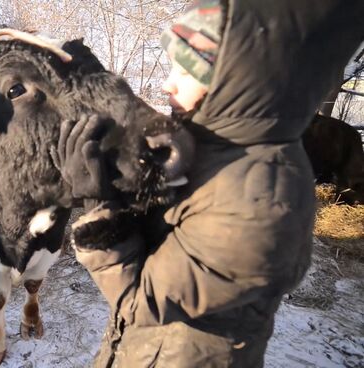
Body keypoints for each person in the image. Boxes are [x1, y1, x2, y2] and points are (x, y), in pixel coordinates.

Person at [57, 0, 364, 366]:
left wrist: (97, 205)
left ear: (234, 82)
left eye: (183, 70)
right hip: (145, 349)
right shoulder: (215, 148)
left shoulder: (262, 199)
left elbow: (143, 301)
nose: (166, 82)